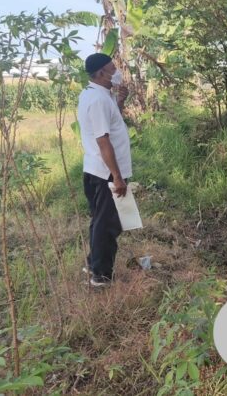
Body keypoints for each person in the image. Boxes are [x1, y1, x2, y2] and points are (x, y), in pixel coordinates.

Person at [77, 53, 133, 288]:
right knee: (109, 224)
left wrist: (120, 101)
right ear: (101, 73)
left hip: (96, 170)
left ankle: (94, 264)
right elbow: (103, 140)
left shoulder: (97, 94)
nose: (117, 71)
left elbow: (110, 122)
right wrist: (117, 177)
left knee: (100, 221)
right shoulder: (98, 100)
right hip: (106, 172)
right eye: (113, 68)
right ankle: (100, 275)